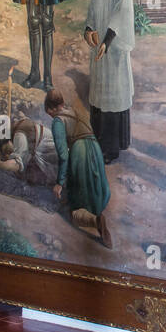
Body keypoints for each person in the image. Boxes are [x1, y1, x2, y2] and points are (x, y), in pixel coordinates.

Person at [83, 0, 135, 163]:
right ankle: (100, 143)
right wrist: (89, 29)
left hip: (113, 48)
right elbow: (94, 9)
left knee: (113, 94)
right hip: (99, 47)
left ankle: (112, 149)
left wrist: (108, 39)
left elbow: (122, 10)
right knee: (100, 97)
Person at [46, 89, 113, 249]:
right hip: (95, 151)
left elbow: (63, 155)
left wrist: (59, 182)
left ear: (52, 108)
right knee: (96, 193)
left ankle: (95, 221)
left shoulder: (57, 121)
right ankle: (96, 210)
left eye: (49, 113)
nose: (50, 116)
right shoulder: (77, 111)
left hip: (80, 154)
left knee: (75, 208)